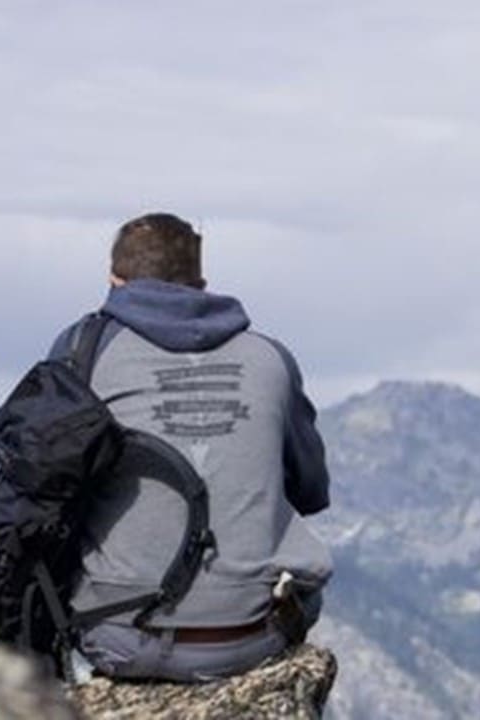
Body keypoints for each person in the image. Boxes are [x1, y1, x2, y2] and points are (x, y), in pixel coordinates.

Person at [50, 212, 332, 682]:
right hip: (246, 638)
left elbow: (47, 483)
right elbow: (311, 491)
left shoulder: (83, 350)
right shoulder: (270, 358)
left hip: (117, 639)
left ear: (114, 282)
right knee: (308, 590)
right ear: (201, 283)